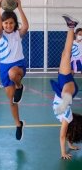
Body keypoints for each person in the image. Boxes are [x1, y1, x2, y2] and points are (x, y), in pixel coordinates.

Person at [0, 0, 29, 140]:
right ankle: (18, 124)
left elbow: (26, 26)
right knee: (12, 101)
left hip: (18, 66)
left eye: (11, 23)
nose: (8, 25)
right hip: (4, 67)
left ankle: (19, 86)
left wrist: (19, 7)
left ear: (15, 24)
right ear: (2, 25)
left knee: (13, 73)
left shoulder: (18, 34)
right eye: (5, 23)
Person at [50, 15, 82, 160]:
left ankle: (71, 26)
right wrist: (63, 152)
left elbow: (66, 135)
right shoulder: (66, 119)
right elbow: (62, 135)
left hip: (64, 86)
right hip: (67, 89)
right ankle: (71, 27)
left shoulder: (67, 120)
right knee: (66, 54)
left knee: (65, 54)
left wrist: (71, 146)